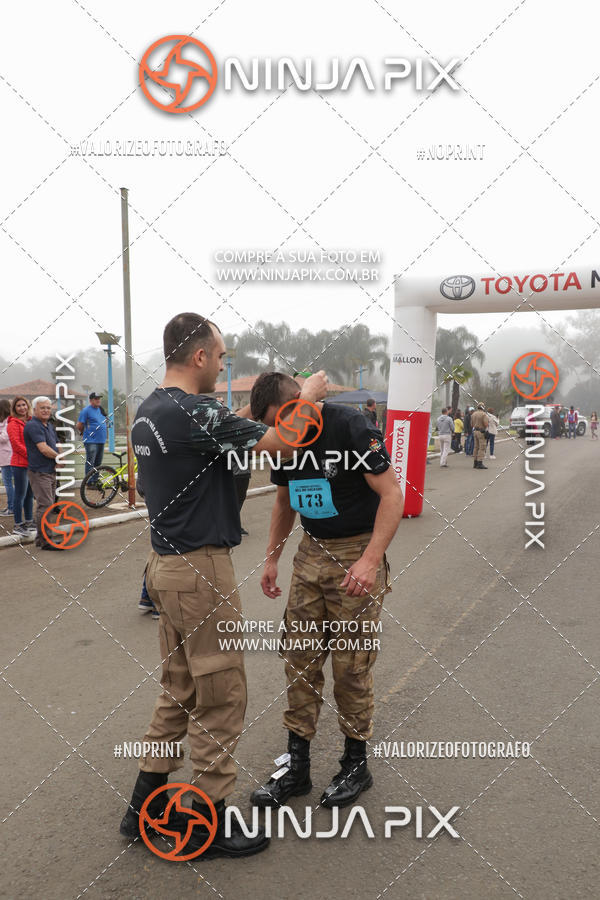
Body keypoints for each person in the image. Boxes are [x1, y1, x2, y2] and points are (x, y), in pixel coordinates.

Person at [119, 312, 328, 859]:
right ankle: (207, 820)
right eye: (220, 354)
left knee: (179, 687)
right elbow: (285, 442)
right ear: (199, 358)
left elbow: (212, 439)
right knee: (222, 694)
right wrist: (306, 394)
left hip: (164, 567)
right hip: (200, 570)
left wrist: (242, 419)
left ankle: (144, 804)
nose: (223, 362)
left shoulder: (151, 411)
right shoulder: (197, 411)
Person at [248, 372, 403, 810]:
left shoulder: (351, 427)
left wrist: (370, 560)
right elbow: (284, 501)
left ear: (302, 401)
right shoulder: (286, 438)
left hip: (356, 552)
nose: (284, 432)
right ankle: (297, 767)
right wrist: (273, 558)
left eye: (284, 419)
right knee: (299, 661)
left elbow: (391, 494)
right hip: (310, 554)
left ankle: (356, 764)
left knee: (351, 666)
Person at [24, 397, 63, 551]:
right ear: (34, 410)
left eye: (48, 407)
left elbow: (56, 443)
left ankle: (41, 539)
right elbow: (43, 448)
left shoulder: (48, 425)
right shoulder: (33, 426)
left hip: (50, 470)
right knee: (45, 506)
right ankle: (46, 541)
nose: (46, 410)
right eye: (43, 408)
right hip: (39, 471)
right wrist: (58, 457)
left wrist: (61, 456)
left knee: (48, 504)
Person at [7, 396, 36, 538]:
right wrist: (32, 456)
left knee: (29, 495)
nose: (22, 408)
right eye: (18, 405)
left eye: (24, 405)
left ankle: (29, 522)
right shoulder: (12, 424)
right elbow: (16, 445)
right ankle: (18, 525)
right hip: (19, 465)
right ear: (14, 408)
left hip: (30, 464)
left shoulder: (30, 422)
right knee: (20, 495)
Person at [76, 392, 107, 483]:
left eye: (99, 398)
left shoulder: (101, 409)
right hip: (91, 441)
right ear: (91, 400)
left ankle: (95, 480)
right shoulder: (86, 410)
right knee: (90, 462)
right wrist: (84, 433)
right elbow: (79, 425)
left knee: (98, 463)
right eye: (96, 399)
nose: (98, 400)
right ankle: (89, 482)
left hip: (101, 440)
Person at [0, 398, 15, 517]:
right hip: (6, 457)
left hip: (7, 457)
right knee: (8, 483)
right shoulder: (4, 421)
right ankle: (10, 506)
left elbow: (4, 438)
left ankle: (11, 508)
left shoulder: (7, 422)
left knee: (8, 483)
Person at [470, 402, 489, 470]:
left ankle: (475, 463)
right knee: (482, 447)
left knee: (476, 447)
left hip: (475, 431)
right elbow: (486, 424)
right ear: (483, 407)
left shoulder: (473, 414)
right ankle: (480, 462)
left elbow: (471, 425)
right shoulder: (484, 414)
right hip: (481, 432)